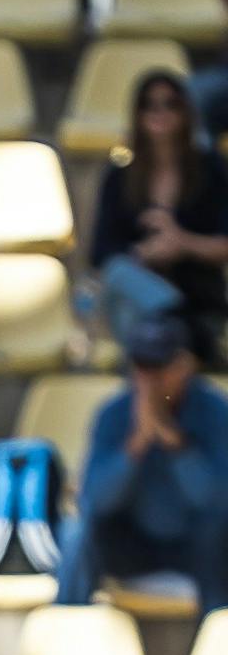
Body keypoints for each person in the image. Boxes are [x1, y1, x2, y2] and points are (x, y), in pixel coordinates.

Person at [57, 314, 228, 615]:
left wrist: (177, 446)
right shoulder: (114, 413)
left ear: (184, 365)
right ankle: (66, 627)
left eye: (158, 367)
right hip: (134, 543)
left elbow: (218, 502)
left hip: (196, 544)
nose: (149, 379)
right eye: (141, 366)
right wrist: (135, 446)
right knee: (79, 532)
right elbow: (94, 501)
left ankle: (219, 634)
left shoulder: (215, 411)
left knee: (216, 532)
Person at [88, 70, 228, 365]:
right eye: (150, 105)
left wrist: (183, 243)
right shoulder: (119, 176)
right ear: (137, 114)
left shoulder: (212, 170)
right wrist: (144, 255)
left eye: (170, 104)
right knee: (120, 276)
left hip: (198, 298)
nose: (160, 113)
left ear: (186, 111)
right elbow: (100, 253)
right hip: (148, 307)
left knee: (133, 312)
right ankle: (173, 315)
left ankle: (160, 344)